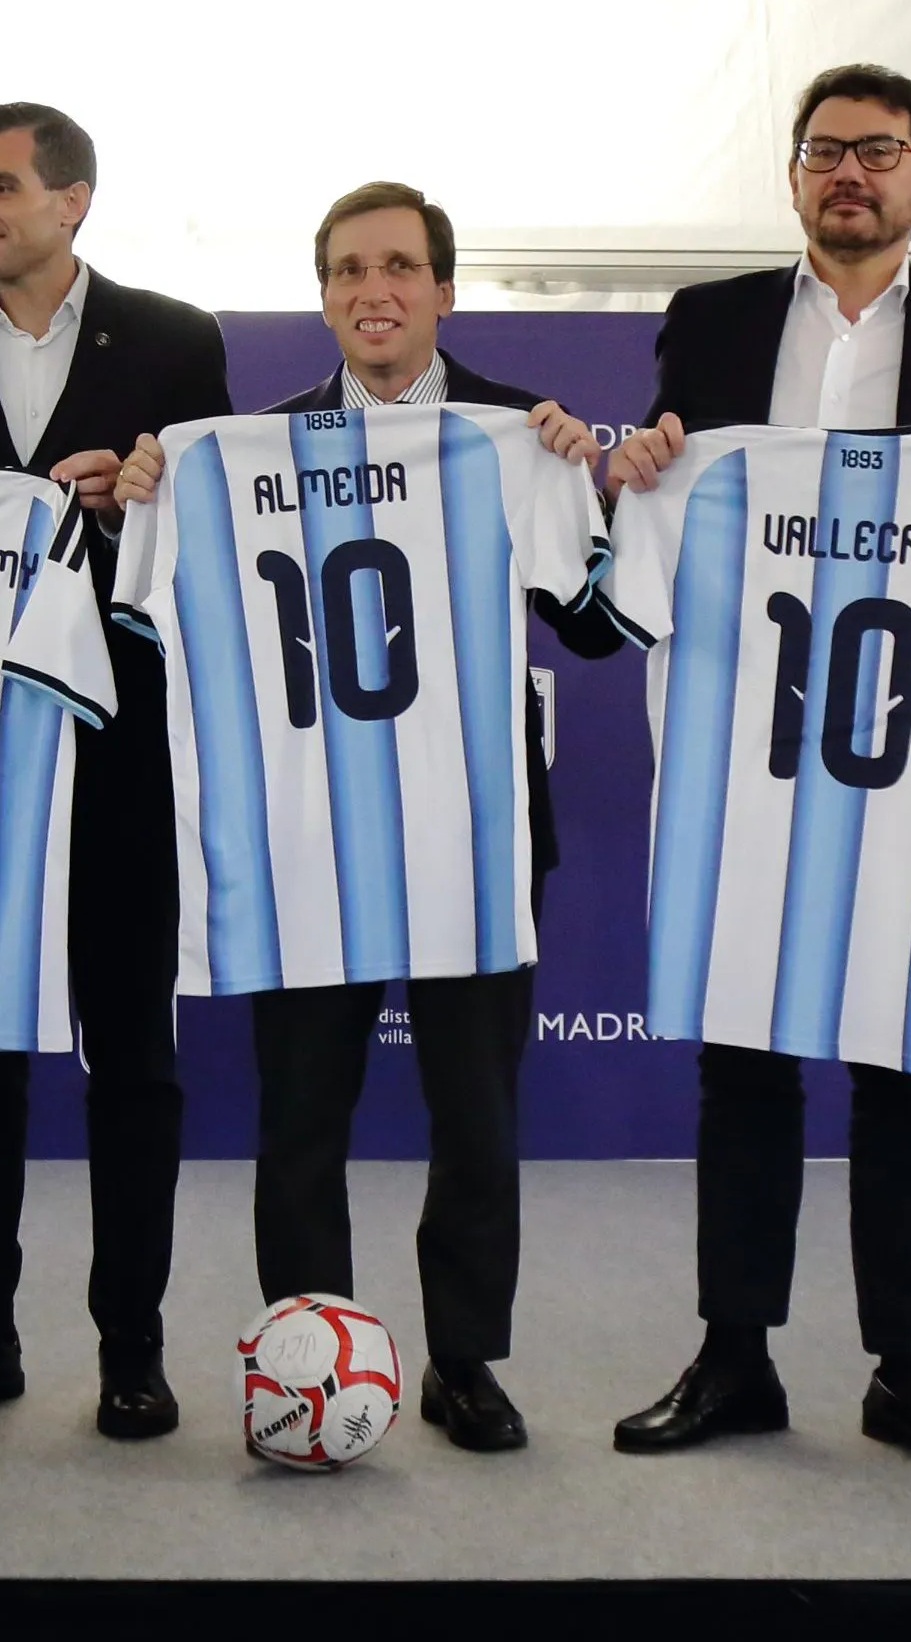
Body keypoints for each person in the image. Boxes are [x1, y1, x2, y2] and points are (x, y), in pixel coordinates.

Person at [597, 64, 911, 1470]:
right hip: (755, 747)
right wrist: (656, 460)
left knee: (907, 1060)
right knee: (744, 1049)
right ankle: (734, 1354)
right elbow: (678, 483)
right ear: (793, 177)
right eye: (824, 152)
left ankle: (906, 1368)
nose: (849, 174)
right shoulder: (717, 319)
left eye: (879, 153)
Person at [119, 181, 618, 1452]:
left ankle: (464, 1360)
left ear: (444, 290)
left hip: (471, 833)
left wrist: (585, 486)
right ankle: (306, 1352)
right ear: (325, 293)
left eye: (399, 266)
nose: (372, 290)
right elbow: (153, 606)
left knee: (477, 1114)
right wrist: (151, 489)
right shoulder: (245, 448)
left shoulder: (515, 430)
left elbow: (595, 622)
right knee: (299, 1114)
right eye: (347, 270)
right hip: (303, 834)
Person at [0, 105, 230, 1438]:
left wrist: (147, 490)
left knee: (133, 1060)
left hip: (122, 754)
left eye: (3, 184)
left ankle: (131, 1347)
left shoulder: (180, 338)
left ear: (74, 200)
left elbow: (213, 537)